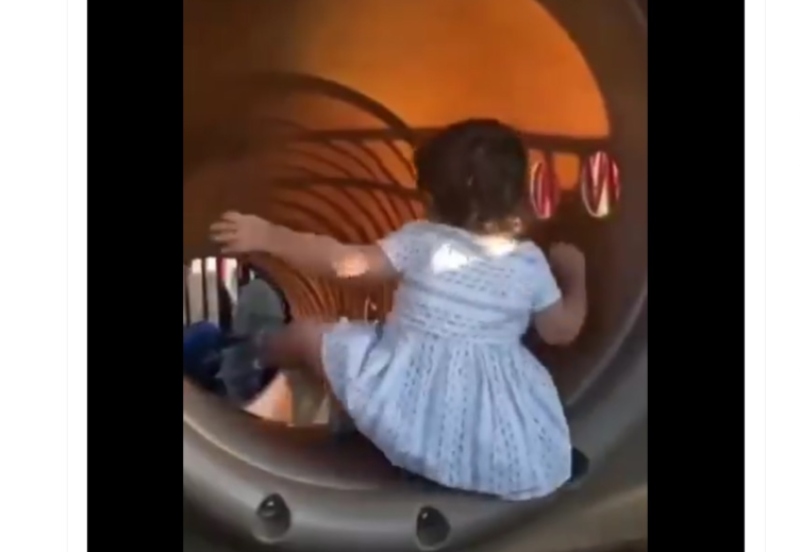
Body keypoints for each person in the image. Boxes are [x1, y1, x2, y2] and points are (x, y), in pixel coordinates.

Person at [209, 119, 587, 500]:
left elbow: (345, 264)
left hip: (407, 408)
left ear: (432, 199)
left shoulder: (424, 240)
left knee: (310, 335)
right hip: (488, 440)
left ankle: (241, 360)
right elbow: (560, 330)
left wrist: (270, 236)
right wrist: (575, 275)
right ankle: (291, 388)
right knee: (362, 340)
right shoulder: (529, 263)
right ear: (520, 197)